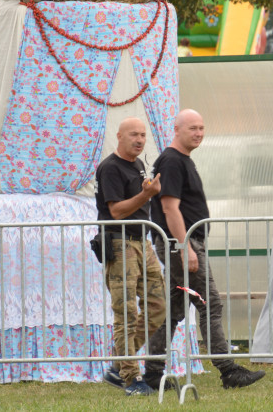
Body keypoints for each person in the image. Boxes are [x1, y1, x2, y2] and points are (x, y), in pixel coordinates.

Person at [143, 109, 265, 390]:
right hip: (180, 244)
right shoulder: (172, 161)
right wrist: (186, 247)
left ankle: (152, 374)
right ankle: (227, 370)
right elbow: (169, 207)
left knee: (172, 310)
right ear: (177, 130)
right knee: (209, 303)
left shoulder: (181, 160)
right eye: (192, 128)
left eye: (201, 128)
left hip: (179, 244)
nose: (198, 133)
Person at [95, 117, 166, 396]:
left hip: (142, 241)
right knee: (126, 312)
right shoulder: (110, 168)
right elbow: (116, 212)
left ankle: (118, 365)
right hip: (120, 244)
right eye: (134, 135)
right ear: (119, 136)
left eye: (143, 135)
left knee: (159, 305)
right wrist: (147, 195)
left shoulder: (137, 164)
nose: (139, 140)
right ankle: (130, 378)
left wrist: (148, 193)